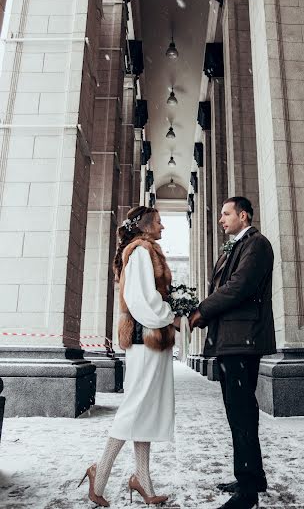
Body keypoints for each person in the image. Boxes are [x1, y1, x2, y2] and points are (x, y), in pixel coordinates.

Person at [79, 206, 180, 507]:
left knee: (144, 409)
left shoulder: (148, 251)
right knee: (135, 407)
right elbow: (140, 300)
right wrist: (170, 314)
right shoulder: (139, 253)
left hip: (154, 341)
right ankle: (100, 473)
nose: (163, 226)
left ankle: (143, 480)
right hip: (145, 340)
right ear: (146, 226)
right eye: (159, 222)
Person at [190, 196, 276, 509]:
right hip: (231, 339)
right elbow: (224, 286)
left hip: (243, 339)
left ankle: (249, 489)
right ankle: (251, 476)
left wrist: (202, 309)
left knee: (241, 412)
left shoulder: (257, 244)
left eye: (226, 214)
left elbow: (240, 286)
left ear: (243, 215)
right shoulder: (237, 246)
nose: (221, 219)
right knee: (236, 411)